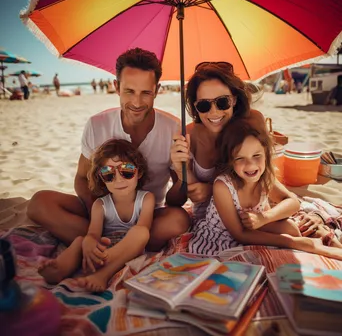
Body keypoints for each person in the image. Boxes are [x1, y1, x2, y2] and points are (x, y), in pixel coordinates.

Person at [27, 47, 190, 252]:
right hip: (100, 210)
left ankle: (100, 245)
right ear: (116, 86)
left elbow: (177, 200)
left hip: (147, 215)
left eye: (146, 93)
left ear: (156, 90)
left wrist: (183, 177)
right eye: (129, 91)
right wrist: (99, 214)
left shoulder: (174, 129)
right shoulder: (97, 124)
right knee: (39, 203)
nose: (137, 102)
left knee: (179, 220)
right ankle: (118, 245)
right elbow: (81, 178)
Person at [188, 119, 342, 259]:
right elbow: (240, 234)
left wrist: (265, 217)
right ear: (230, 161)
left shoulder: (264, 176)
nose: (251, 165)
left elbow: (293, 202)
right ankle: (314, 246)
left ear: (266, 154)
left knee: (293, 228)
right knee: (293, 235)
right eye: (240, 158)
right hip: (226, 235)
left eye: (257, 156)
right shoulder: (223, 186)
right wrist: (294, 243)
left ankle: (327, 244)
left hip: (257, 224)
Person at [38, 139, 154, 292]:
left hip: (128, 250)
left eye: (126, 170)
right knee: (81, 241)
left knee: (140, 232)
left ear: (139, 172)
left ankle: (102, 275)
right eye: (108, 173)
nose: (118, 179)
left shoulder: (146, 199)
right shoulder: (100, 205)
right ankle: (59, 269)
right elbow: (93, 233)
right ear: (101, 178)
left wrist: (107, 255)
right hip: (103, 249)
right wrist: (90, 244)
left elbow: (143, 230)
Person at [167, 62, 265, 221]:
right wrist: (181, 173)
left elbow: (267, 180)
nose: (214, 112)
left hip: (251, 217)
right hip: (207, 221)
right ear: (195, 107)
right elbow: (173, 201)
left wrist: (212, 190)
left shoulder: (253, 122)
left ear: (234, 100)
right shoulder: (187, 136)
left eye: (222, 102)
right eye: (204, 105)